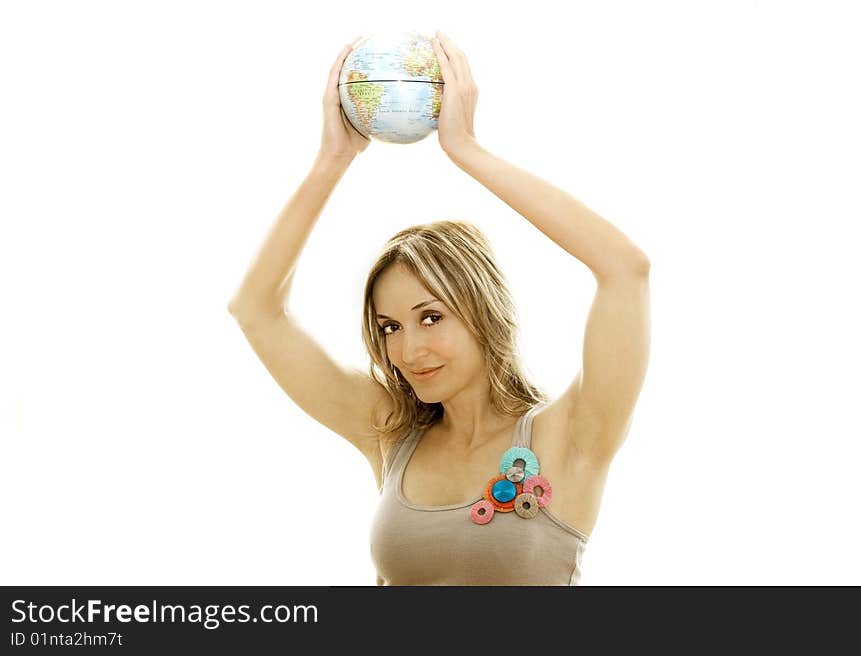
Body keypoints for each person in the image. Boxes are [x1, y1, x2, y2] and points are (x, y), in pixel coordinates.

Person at [228, 32, 651, 585]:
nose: (407, 349)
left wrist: (467, 151)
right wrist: (333, 159)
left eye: (431, 317)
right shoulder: (390, 433)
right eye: (389, 327)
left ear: (482, 311)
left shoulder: (567, 438)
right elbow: (255, 308)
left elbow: (625, 270)